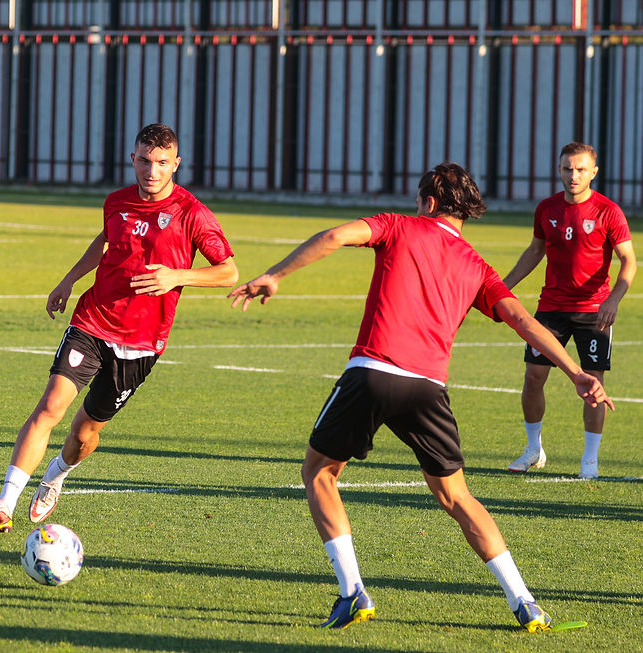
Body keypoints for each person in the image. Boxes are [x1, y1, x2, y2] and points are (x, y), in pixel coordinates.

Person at [228, 163, 612, 631]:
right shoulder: (476, 264)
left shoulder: (397, 226)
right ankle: (526, 602)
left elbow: (333, 236)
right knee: (457, 497)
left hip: (373, 370)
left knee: (319, 472)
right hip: (429, 388)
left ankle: (352, 592)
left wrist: (275, 274)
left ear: (428, 202)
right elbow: (525, 322)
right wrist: (575, 372)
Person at [0, 123, 237, 533]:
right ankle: (5, 502)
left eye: (162, 163)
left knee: (84, 433)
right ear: (132, 158)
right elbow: (105, 241)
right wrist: (69, 280)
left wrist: (177, 276)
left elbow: (228, 271)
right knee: (49, 407)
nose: (152, 171)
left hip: (141, 344)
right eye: (145, 161)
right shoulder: (116, 202)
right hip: (93, 321)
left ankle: (56, 476)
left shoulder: (193, 214)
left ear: (176, 164)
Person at [501, 142, 635, 479]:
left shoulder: (609, 211)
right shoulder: (546, 209)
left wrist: (613, 300)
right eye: (566, 168)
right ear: (559, 170)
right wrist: (503, 286)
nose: (572, 175)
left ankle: (590, 459)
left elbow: (629, 261)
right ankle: (533, 449)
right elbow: (535, 251)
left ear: (594, 172)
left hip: (594, 311)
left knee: (592, 385)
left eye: (579, 169)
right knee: (533, 377)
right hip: (550, 309)